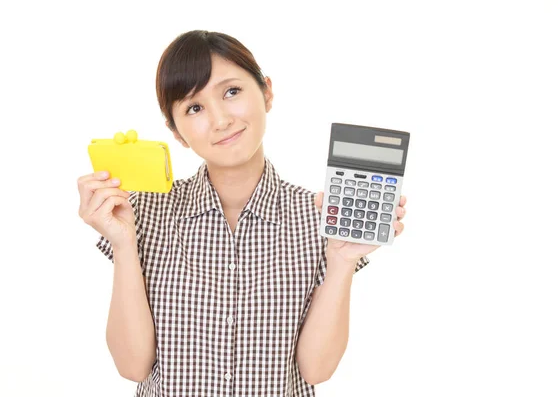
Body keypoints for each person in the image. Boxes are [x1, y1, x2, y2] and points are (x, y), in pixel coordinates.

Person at [77, 30, 407, 397]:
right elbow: (132, 366)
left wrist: (342, 260)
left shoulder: (318, 218)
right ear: (177, 132)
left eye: (231, 92)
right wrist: (124, 246)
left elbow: (315, 370)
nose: (220, 120)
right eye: (194, 108)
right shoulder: (144, 213)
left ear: (266, 91)